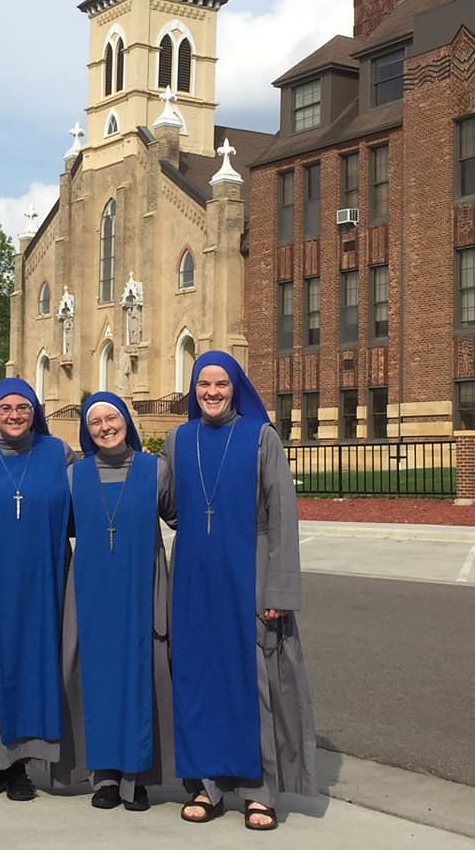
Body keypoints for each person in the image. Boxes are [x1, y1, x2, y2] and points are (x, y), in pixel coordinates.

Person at [159, 351, 316, 831]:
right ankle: (204, 785)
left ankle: (258, 791)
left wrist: (278, 590)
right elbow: (168, 503)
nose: (212, 392)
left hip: (248, 575)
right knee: (198, 679)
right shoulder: (178, 440)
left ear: (235, 388)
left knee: (252, 680)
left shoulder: (260, 437)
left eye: (221, 384)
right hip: (193, 579)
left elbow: (283, 515)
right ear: (193, 390)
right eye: (203, 384)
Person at [56, 392, 175, 812]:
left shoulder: (156, 471)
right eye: (96, 422)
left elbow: (182, 518)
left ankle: (136, 776)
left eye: (112, 418)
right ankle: (104, 776)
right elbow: (62, 526)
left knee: (139, 678)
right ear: (86, 431)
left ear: (126, 421)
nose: (105, 427)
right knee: (97, 681)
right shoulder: (74, 475)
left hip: (141, 589)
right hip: (91, 592)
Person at [0, 378, 73, 800]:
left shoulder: (57, 453)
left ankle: (21, 765)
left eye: (22, 407)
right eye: (5, 408)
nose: (14, 415)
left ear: (35, 412)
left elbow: (80, 510)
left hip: (43, 579)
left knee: (34, 667)